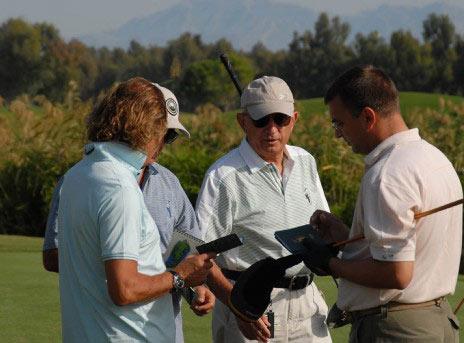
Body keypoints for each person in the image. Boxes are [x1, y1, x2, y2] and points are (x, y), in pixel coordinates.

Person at [42, 85, 215, 341]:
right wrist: (180, 276)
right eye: (164, 134)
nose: (163, 144)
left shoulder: (78, 175)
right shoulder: (120, 186)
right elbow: (124, 289)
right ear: (147, 127)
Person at [304, 65, 463, 342]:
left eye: (339, 123)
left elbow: (396, 273)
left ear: (367, 117)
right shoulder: (435, 158)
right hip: (438, 321)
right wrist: (347, 238)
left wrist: (330, 263)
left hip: (395, 328)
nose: (337, 134)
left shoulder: (387, 174)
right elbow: (409, 245)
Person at [196, 76, 332, 342]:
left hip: (308, 303)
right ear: (242, 121)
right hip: (252, 307)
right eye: (261, 120)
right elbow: (201, 255)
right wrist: (238, 307)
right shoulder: (224, 177)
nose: (272, 129)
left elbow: (323, 228)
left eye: (280, 120)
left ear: (294, 119)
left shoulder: (306, 161)